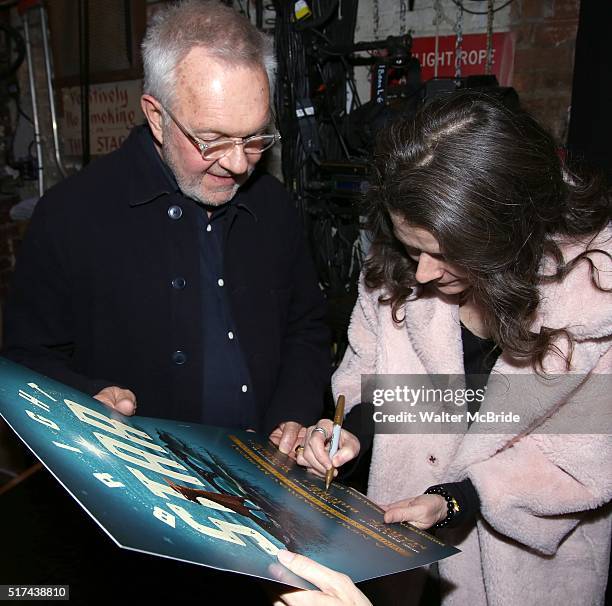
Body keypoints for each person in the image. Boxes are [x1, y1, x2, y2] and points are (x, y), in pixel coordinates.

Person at [296, 90, 612, 604]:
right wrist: (347, 434)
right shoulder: (399, 268)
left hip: (522, 575)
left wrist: (457, 499)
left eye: (442, 254)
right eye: (410, 246)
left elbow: (581, 463)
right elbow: (367, 382)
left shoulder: (594, 301)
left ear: (509, 234)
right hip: (395, 561)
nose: (419, 272)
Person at [1, 0, 329, 453]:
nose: (237, 164)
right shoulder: (70, 215)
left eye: (254, 137)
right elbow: (25, 358)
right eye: (211, 140)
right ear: (156, 116)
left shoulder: (274, 205)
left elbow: (306, 327)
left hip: (265, 481)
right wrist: (81, 398)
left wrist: (294, 415)